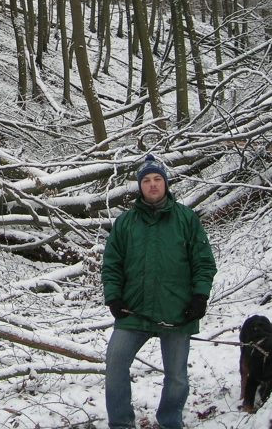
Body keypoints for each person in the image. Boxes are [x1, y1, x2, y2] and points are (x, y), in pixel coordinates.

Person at [102, 153, 218, 429]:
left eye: (157, 179)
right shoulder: (125, 223)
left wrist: (200, 296)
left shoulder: (186, 219)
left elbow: (204, 262)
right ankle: (121, 424)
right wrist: (113, 296)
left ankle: (169, 421)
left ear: (165, 183)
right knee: (115, 365)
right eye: (146, 180)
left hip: (178, 311)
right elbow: (112, 264)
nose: (152, 184)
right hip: (133, 311)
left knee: (177, 377)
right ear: (140, 186)